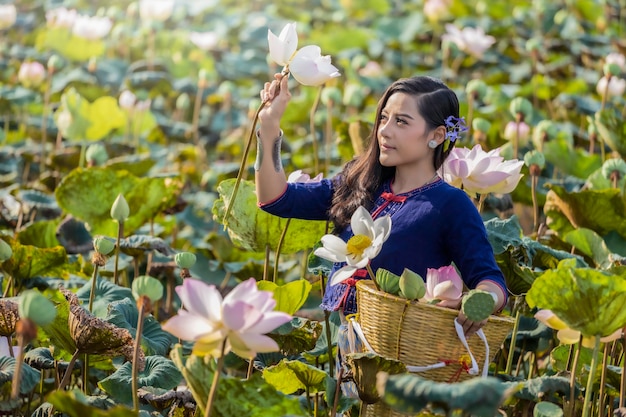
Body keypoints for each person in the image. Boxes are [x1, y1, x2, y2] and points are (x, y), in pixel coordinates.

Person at [254, 72, 508, 391]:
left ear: (437, 135)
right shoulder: (359, 183)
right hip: (342, 345)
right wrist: (269, 124)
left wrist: (481, 299)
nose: (384, 131)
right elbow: (275, 198)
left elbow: (491, 279)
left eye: (402, 121)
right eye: (384, 118)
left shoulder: (450, 204)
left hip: (400, 359)